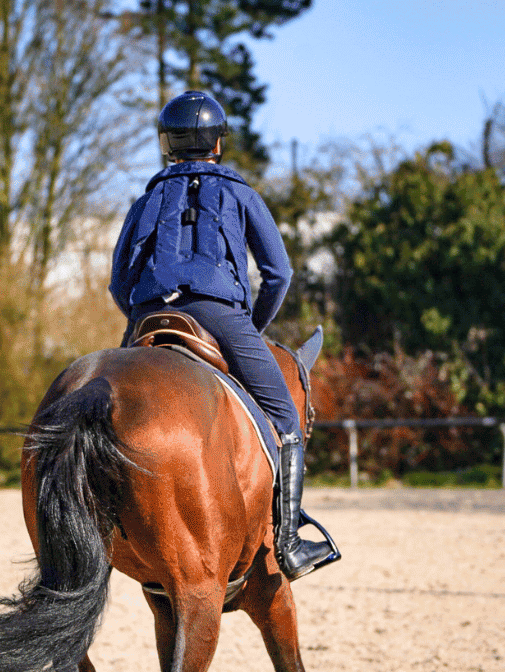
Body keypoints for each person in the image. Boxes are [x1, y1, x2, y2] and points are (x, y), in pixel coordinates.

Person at [109, 90, 338, 580]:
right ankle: (290, 540)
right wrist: (250, 328)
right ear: (217, 143)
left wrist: (141, 316)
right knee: (285, 418)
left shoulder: (147, 198)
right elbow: (279, 273)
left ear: (168, 144)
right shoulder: (240, 193)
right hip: (220, 316)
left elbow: (118, 281)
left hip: (148, 316)